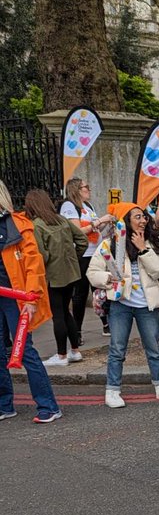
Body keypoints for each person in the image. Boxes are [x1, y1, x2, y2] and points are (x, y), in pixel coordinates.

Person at [89, 203, 159, 409]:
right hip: (121, 304)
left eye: (144, 216)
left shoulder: (151, 243)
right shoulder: (110, 244)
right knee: (117, 349)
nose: (143, 220)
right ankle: (112, 391)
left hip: (146, 306)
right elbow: (92, 272)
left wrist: (142, 249)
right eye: (137, 217)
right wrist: (106, 277)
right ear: (126, 221)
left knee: (153, 348)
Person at [0, 179, 61, 423]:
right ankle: (5, 405)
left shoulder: (18, 224)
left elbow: (34, 265)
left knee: (25, 351)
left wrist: (32, 297)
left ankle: (49, 405)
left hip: (18, 298)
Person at [24, 188, 88, 367]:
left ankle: (61, 356)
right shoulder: (62, 220)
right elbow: (82, 241)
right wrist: (73, 258)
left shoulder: (36, 225)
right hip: (71, 273)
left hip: (53, 276)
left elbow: (41, 256)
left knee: (58, 314)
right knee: (66, 312)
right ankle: (75, 351)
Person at [60, 177, 113, 340]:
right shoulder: (69, 206)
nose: (89, 189)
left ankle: (106, 324)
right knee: (80, 294)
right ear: (77, 190)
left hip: (94, 253)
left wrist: (106, 223)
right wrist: (99, 221)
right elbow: (77, 231)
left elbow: (94, 228)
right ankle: (77, 331)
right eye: (86, 187)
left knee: (100, 290)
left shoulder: (87, 206)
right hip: (81, 254)